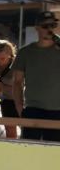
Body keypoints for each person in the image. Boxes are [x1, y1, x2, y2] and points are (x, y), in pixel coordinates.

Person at [13, 11, 60, 142]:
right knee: (29, 149)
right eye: (45, 26)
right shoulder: (25, 52)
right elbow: (17, 82)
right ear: (37, 27)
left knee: (54, 152)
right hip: (33, 109)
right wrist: (19, 110)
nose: (49, 29)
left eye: (53, 25)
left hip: (58, 110)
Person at [0, 39, 20, 139]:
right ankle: (12, 152)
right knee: (10, 132)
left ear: (10, 54)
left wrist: (2, 86)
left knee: (27, 133)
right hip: (6, 101)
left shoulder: (18, 64)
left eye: (2, 59)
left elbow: (22, 87)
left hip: (22, 101)